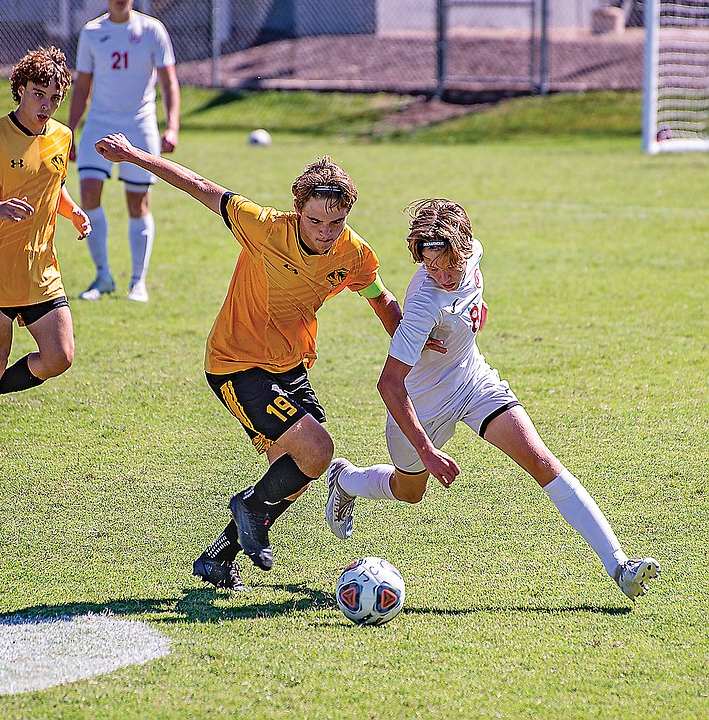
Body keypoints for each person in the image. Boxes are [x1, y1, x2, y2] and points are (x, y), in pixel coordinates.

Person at [94, 133, 403, 590]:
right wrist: (134, 155)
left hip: (289, 365)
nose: (325, 231)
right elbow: (199, 184)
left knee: (296, 469)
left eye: (335, 222)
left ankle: (218, 558)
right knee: (315, 450)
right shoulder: (264, 226)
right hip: (235, 363)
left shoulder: (352, 252)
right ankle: (249, 511)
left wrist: (410, 343)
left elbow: (380, 297)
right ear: (298, 210)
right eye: (316, 220)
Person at [325, 198, 661, 601]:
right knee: (409, 492)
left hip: (473, 382)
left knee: (541, 460)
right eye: (430, 267)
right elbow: (389, 385)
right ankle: (345, 479)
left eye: (449, 266)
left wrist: (476, 309)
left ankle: (620, 566)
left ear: (467, 245)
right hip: (421, 406)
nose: (442, 276)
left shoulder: (475, 251)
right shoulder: (423, 305)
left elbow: (469, 293)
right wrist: (427, 451)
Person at [0, 47, 91, 482]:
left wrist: (72, 212)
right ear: (20, 91)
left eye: (53, 97)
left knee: (60, 356)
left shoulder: (61, 137)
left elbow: (53, 186)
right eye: (38, 94)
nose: (45, 105)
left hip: (43, 268)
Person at [68, 0, 180, 303]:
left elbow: (169, 83)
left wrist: (171, 126)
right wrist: (70, 131)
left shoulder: (153, 30)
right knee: (88, 194)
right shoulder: (91, 32)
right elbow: (82, 87)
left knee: (137, 203)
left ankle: (137, 282)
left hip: (139, 125)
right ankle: (103, 276)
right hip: (99, 124)